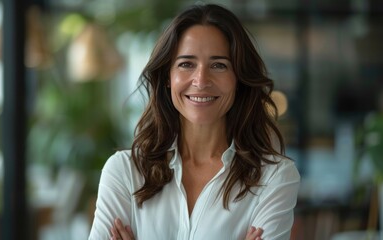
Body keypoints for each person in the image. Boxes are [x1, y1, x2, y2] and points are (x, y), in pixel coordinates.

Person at [88, 3, 300, 240]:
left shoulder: (274, 178)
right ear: (168, 77)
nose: (201, 80)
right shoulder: (124, 172)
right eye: (186, 64)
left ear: (238, 78)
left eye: (219, 65)